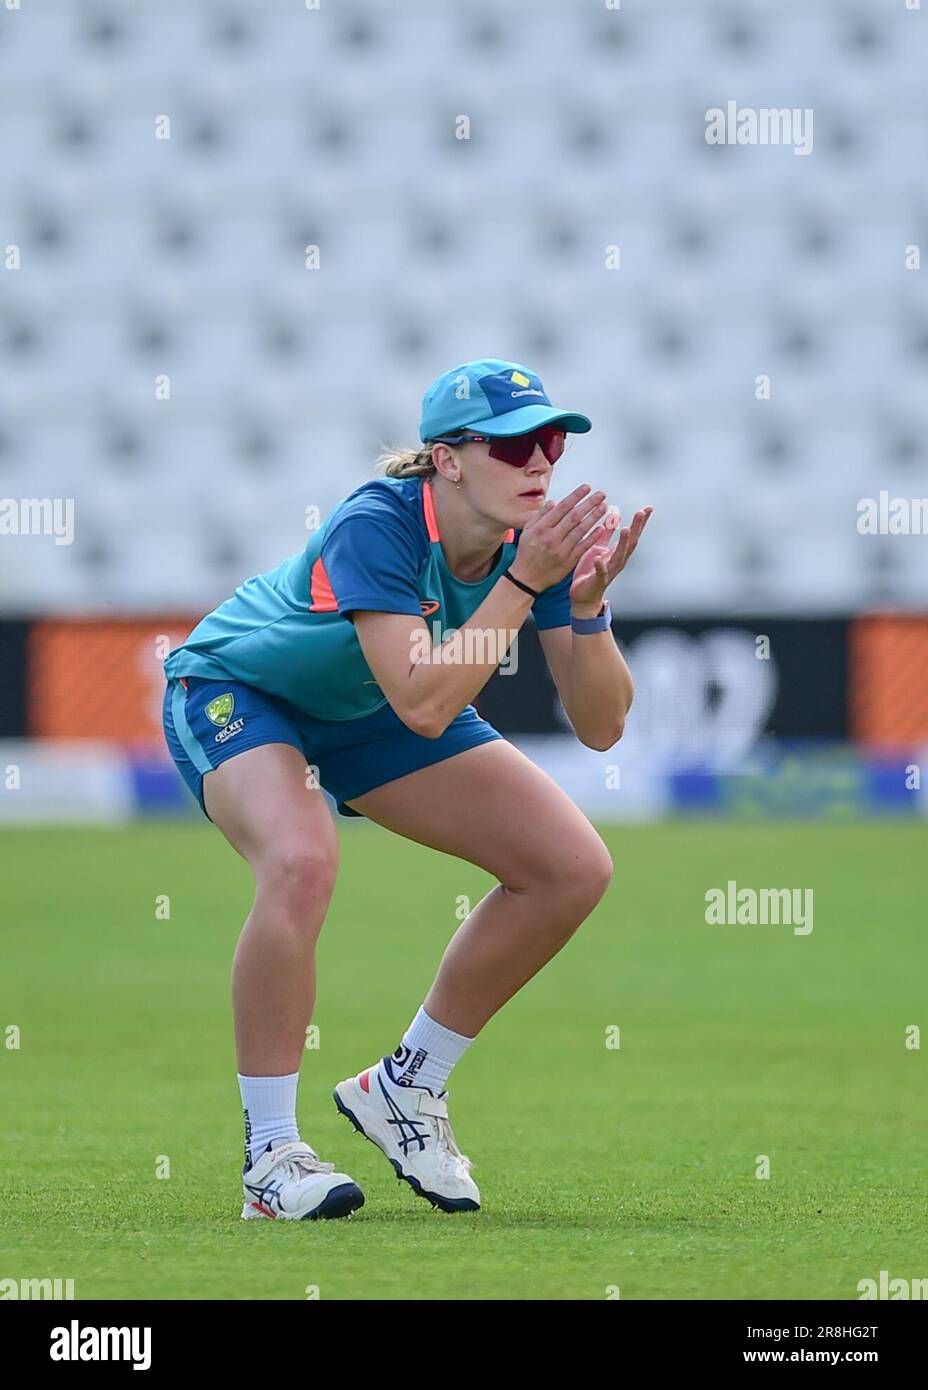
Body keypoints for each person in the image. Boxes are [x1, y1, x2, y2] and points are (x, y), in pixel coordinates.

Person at [161, 357, 652, 1220]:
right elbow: (426, 704)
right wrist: (527, 582)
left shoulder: (523, 548)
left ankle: (406, 1088)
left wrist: (586, 609)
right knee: (302, 862)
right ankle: (271, 1158)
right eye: (515, 444)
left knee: (572, 867)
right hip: (242, 689)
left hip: (376, 703)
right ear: (448, 460)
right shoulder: (380, 521)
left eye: (551, 442)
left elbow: (602, 725)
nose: (541, 462)